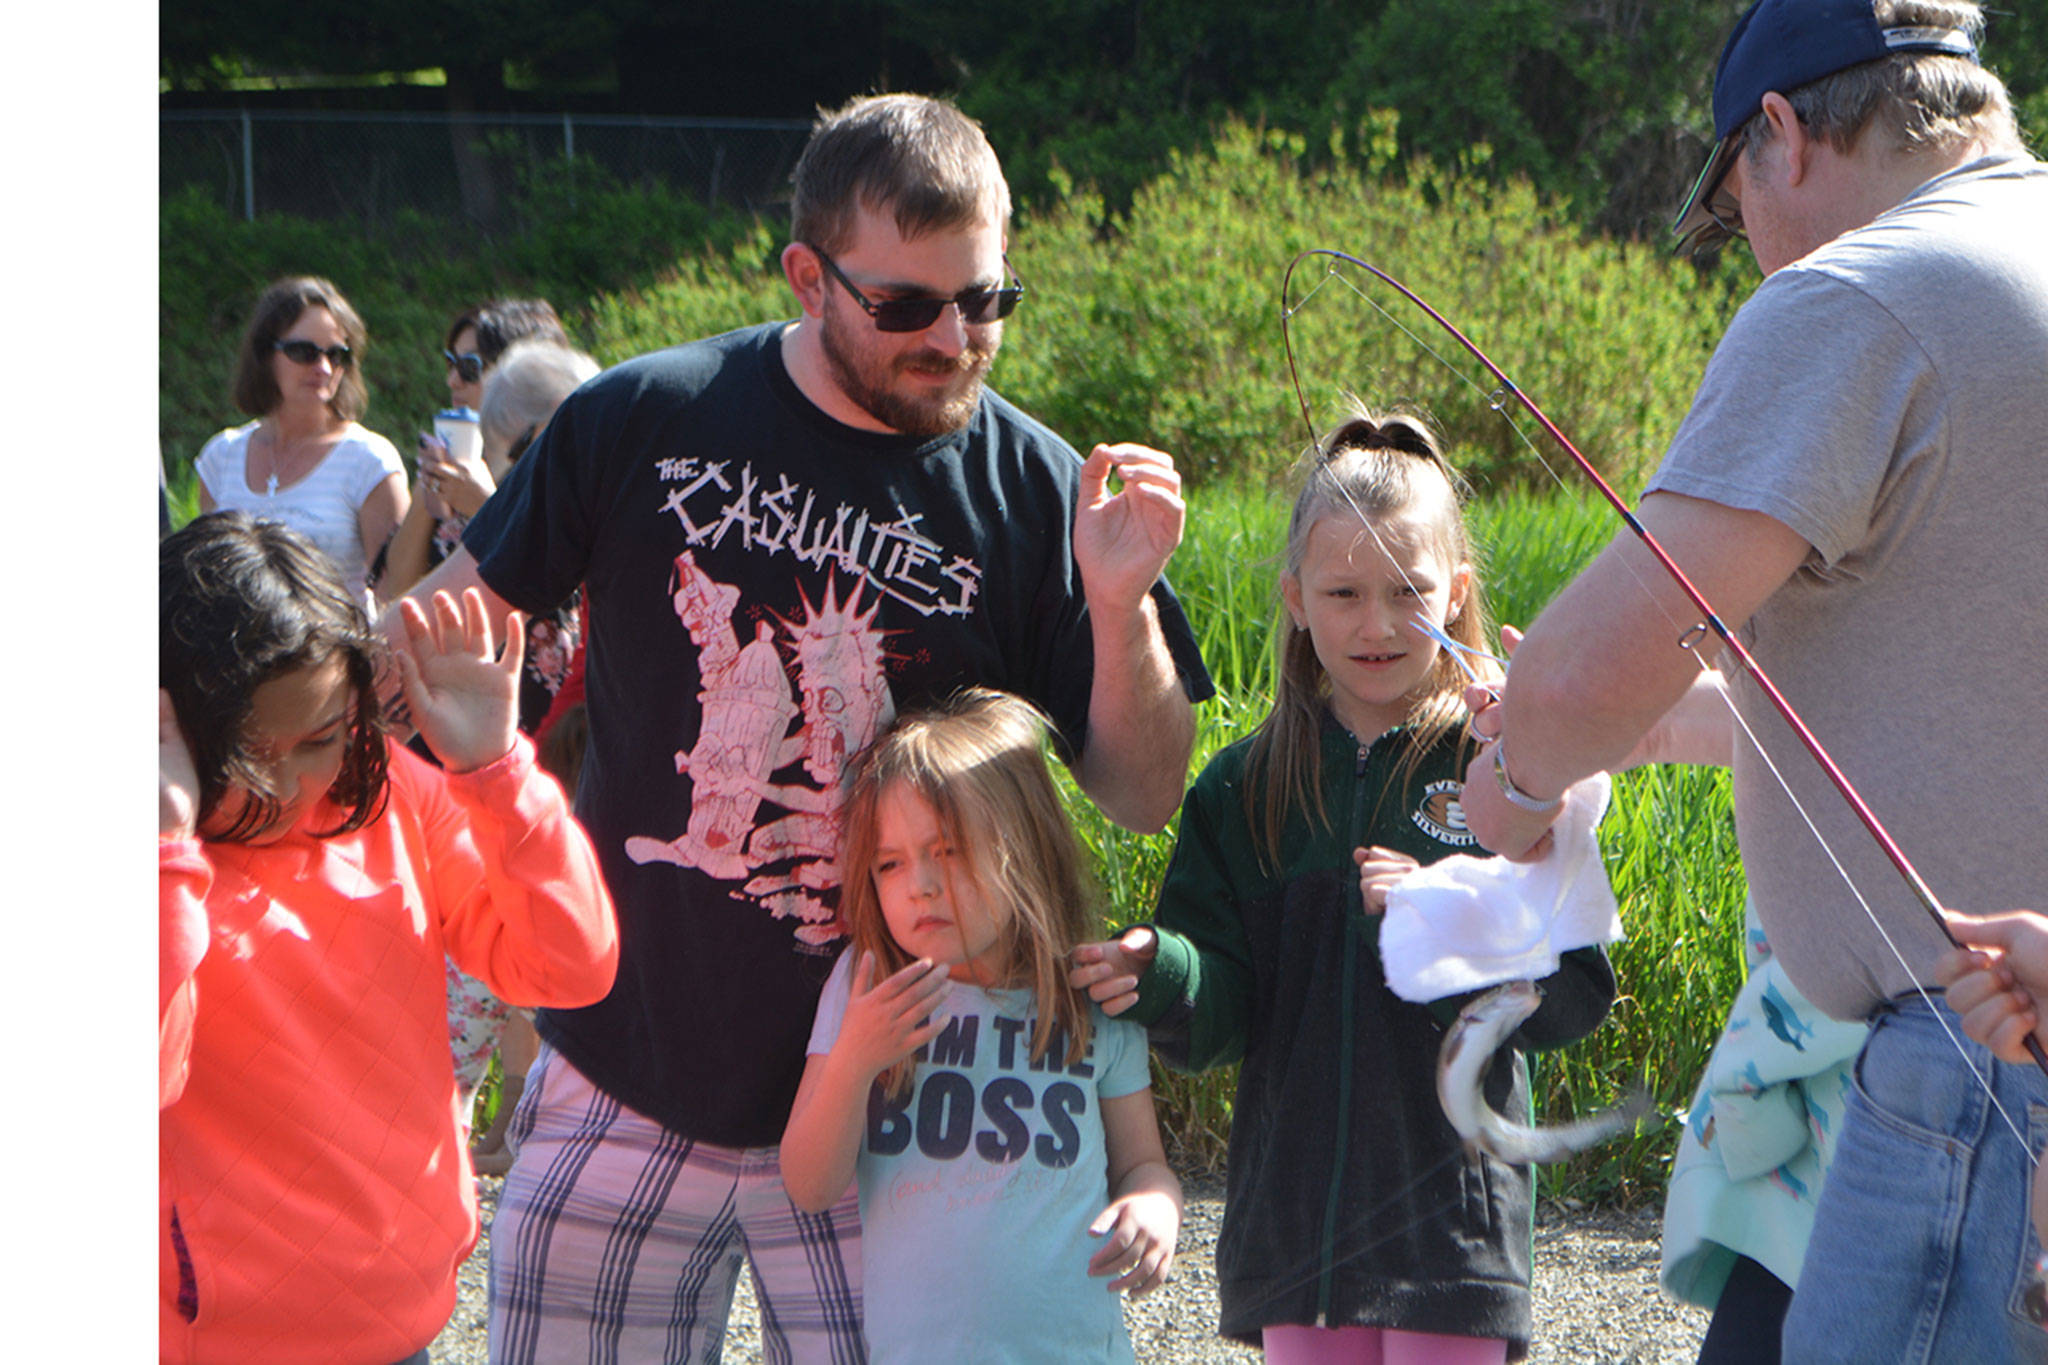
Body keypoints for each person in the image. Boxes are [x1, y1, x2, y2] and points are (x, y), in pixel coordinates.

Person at [384, 93, 1212, 1362]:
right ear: (808, 276)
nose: (954, 338)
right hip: (625, 1069)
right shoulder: (641, 417)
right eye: (907, 307)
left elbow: (1143, 788)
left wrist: (1115, 606)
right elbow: (436, 636)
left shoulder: (1040, 488)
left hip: (900, 1119)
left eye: (985, 302)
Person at [1454, 3, 2047, 1359]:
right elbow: (1964, 683)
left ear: (1778, 135)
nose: (1748, 261)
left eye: (1732, 219)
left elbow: (1583, 668)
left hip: (1983, 1073)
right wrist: (1658, 724)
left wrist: (1515, 779)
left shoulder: (1858, 294)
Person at [1071, 410, 1618, 1362]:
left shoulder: (1509, 770)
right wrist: (1161, 971)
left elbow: (1571, 994)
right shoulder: (1241, 789)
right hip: (1296, 1234)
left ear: (1458, 594)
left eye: (1409, 591)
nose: (1376, 623)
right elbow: (1222, 1010)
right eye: (1343, 591)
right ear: (1295, 597)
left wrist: (1451, 908)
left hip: (1453, 1228)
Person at [158, 512, 619, 1365]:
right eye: (256, 754)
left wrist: (496, 771)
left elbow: (571, 964)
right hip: (220, 1336)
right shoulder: (158, 855)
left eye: (326, 737)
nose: (299, 782)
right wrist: (164, 852)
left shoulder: (390, 793)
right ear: (177, 725)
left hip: (406, 1312)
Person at [779, 689, 1181, 1361]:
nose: (921, 884)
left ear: (1025, 846)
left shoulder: (1090, 993)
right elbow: (809, 1184)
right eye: (890, 862)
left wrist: (1156, 1207)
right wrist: (854, 1058)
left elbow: (1144, 1163)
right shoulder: (865, 984)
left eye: (950, 849)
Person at [194, 276, 408, 603]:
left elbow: (398, 594)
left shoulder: (369, 461)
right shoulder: (221, 457)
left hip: (330, 650)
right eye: (303, 352)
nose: (323, 367)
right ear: (265, 354)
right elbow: (204, 583)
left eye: (337, 355)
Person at [378, 300, 573, 596]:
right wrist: (428, 485)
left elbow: (556, 591)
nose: (452, 380)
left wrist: (485, 507)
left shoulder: (566, 469)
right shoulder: (457, 463)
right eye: (451, 363)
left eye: (470, 367)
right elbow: (395, 590)